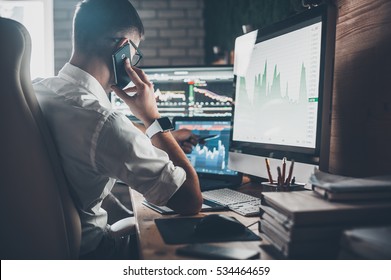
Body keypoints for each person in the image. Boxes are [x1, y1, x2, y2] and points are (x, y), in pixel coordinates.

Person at [33, 0, 202, 259]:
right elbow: (190, 200)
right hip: (91, 255)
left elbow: (88, 132)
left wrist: (147, 132)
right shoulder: (105, 123)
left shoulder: (36, 89)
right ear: (122, 48)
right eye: (135, 53)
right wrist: (152, 118)